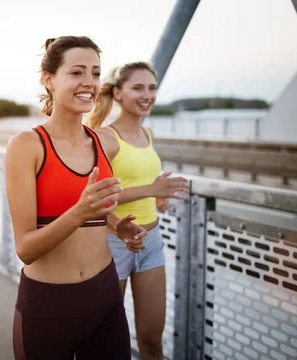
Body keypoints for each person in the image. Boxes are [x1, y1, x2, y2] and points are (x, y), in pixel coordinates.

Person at [6, 36, 147, 360]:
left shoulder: (103, 143)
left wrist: (115, 226)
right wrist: (80, 212)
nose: (89, 83)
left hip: (106, 299)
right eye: (77, 72)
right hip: (47, 306)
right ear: (48, 78)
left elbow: (94, 211)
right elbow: (25, 249)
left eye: (96, 74)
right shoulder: (27, 145)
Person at [86, 62, 189, 360]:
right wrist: (151, 190)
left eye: (152, 87)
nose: (147, 95)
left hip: (152, 242)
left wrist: (156, 199)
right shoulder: (106, 138)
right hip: (113, 244)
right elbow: (94, 199)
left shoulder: (148, 133)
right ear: (118, 93)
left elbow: (139, 181)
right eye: (138, 88)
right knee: (104, 344)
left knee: (152, 341)